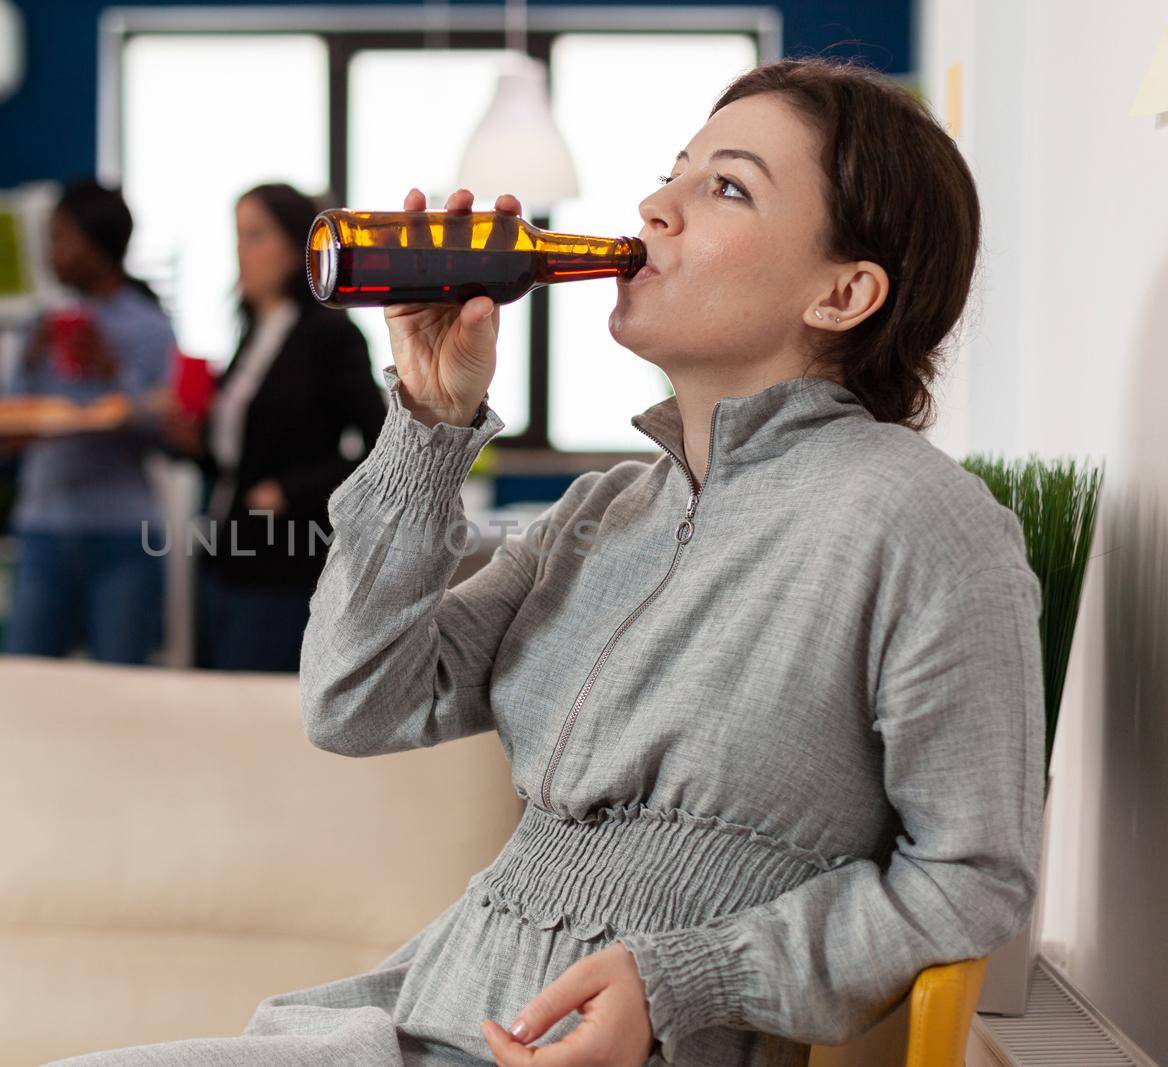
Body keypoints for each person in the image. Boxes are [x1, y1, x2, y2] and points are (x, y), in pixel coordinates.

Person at [51, 59, 1044, 1067]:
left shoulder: (920, 521)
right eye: (673, 173)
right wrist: (427, 426)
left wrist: (680, 980)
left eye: (726, 186)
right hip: (423, 1018)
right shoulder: (603, 510)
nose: (655, 207)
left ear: (843, 291)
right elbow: (355, 702)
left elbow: (970, 877)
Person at [172, 182, 386, 672]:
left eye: (256, 236)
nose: (241, 253)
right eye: (238, 237)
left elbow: (381, 448)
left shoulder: (330, 335)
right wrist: (193, 443)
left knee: (254, 714)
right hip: (224, 549)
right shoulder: (252, 333)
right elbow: (239, 453)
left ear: (296, 246)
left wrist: (290, 489)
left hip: (286, 558)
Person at [1, 179, 176, 664]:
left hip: (122, 536)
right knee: (23, 683)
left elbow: (166, 434)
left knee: (120, 694)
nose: (48, 252)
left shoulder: (148, 326)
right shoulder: (42, 323)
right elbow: (8, 428)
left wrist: (110, 369)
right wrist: (31, 362)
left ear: (97, 243)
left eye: (59, 237)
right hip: (41, 529)